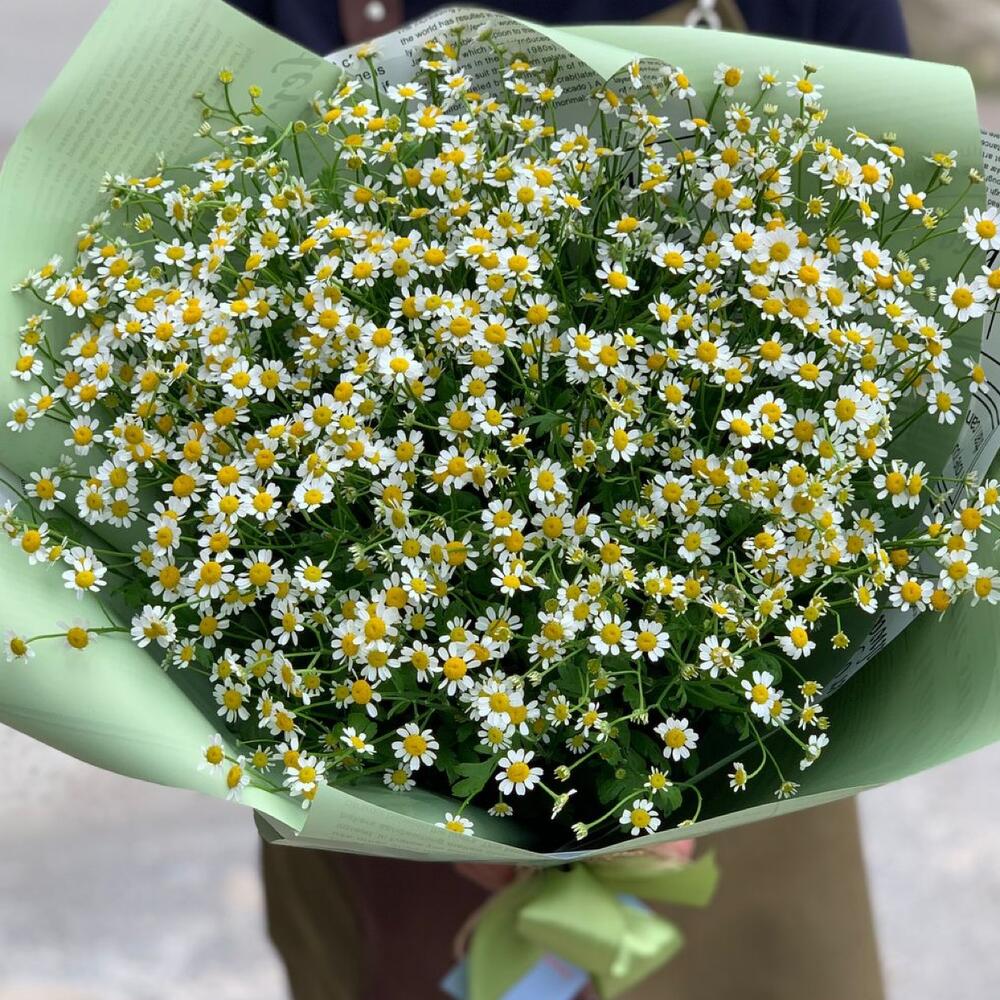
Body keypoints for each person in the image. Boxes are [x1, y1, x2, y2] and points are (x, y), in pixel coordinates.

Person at [228, 1, 909, 996]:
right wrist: (446, 778)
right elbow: (221, 294)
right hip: (386, 757)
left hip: (741, 732)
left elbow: (895, 242)